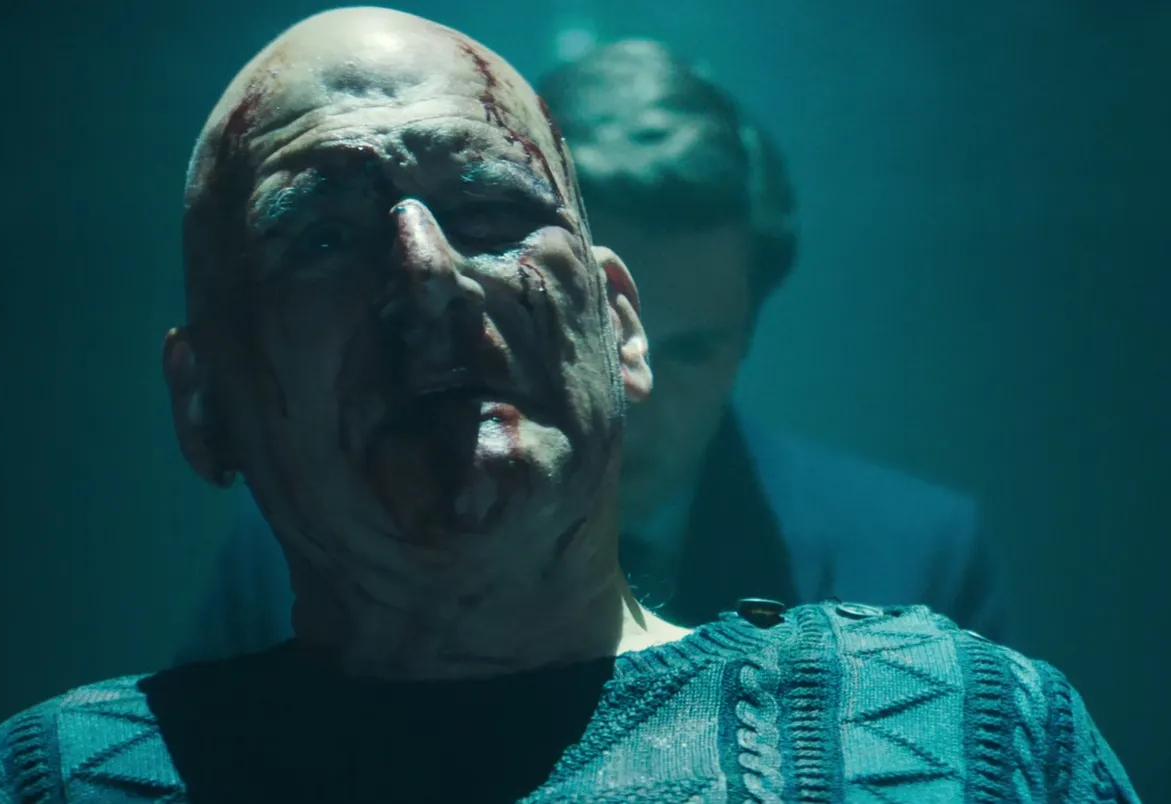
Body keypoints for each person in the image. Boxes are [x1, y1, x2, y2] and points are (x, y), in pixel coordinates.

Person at [0, 9, 1138, 803]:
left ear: (619, 324)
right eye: (322, 236)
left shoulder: (972, 732)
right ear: (203, 403)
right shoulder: (40, 786)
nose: (427, 276)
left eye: (493, 211)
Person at [174, 37, 1013, 666]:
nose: (641, 393)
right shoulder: (296, 542)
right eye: (493, 226)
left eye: (695, 350)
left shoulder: (912, 556)